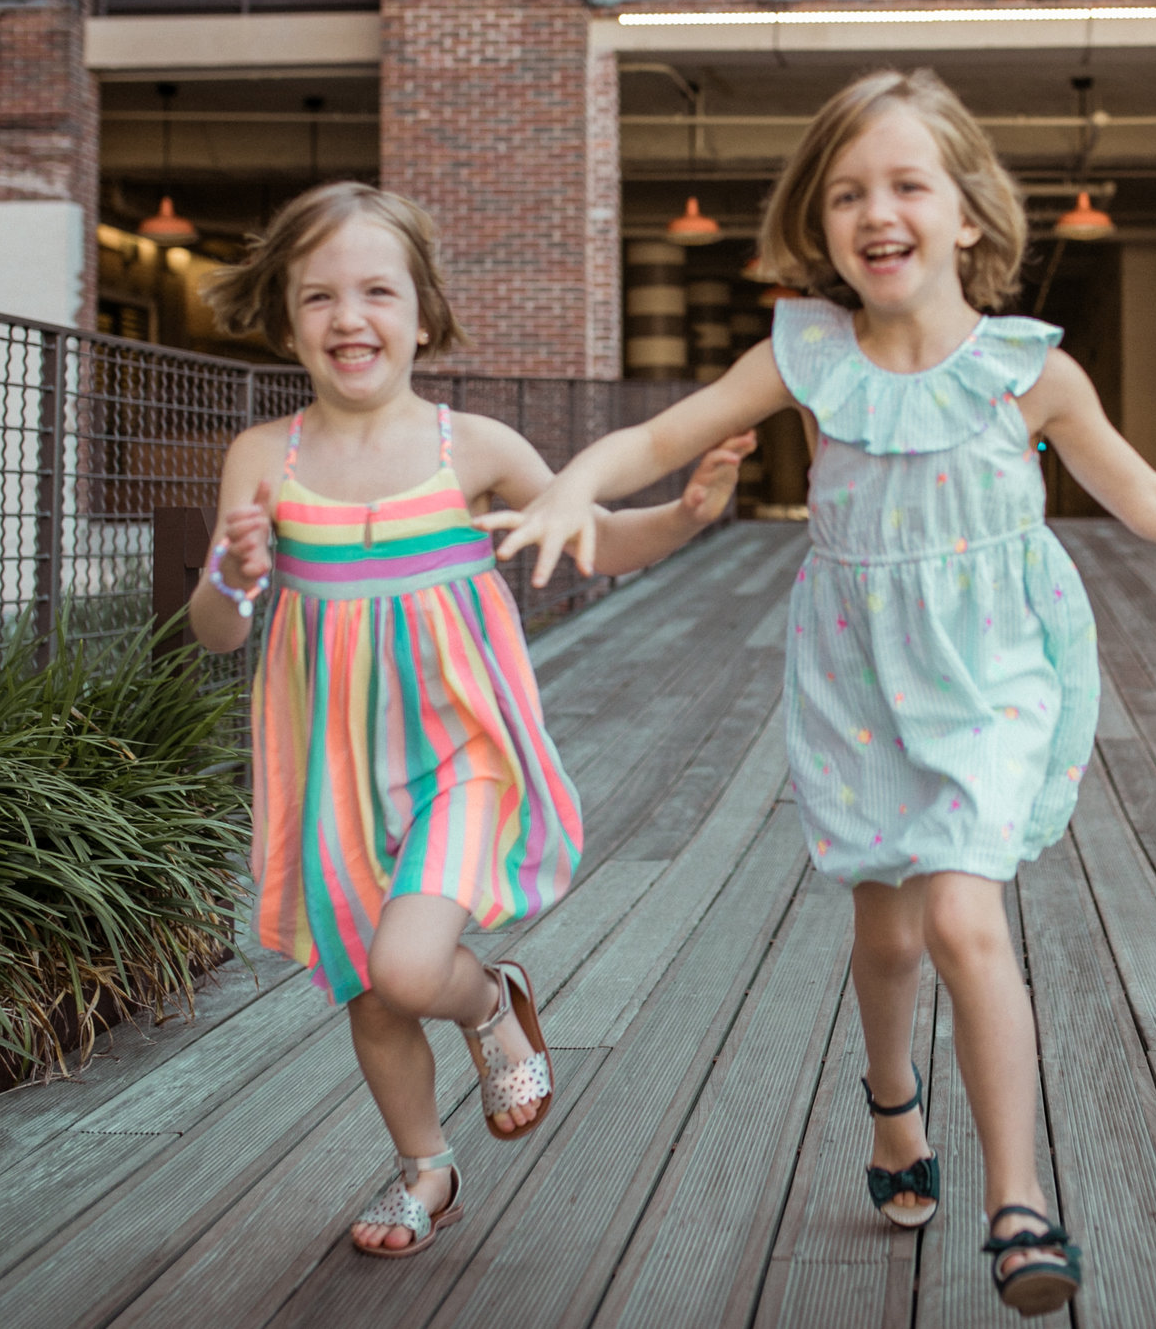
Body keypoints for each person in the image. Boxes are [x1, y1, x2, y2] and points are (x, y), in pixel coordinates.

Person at [486, 69, 1156, 1318]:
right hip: (860, 679)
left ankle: (1018, 1207)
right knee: (889, 935)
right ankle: (892, 1100)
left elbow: (1151, 498)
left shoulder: (1031, 373)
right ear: (822, 222)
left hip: (994, 677)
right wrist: (570, 487)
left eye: (908, 183)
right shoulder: (804, 353)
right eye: (849, 190)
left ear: (968, 214)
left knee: (965, 917)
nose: (878, 209)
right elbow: (656, 436)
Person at [190, 181, 749, 1258]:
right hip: (329, 772)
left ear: (423, 311)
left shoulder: (474, 447)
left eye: (375, 291)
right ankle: (426, 1168)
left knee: (410, 967)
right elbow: (217, 629)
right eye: (318, 296)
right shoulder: (265, 458)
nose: (349, 316)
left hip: (459, 754)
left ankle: (491, 998)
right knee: (369, 990)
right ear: (284, 314)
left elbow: (589, 542)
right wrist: (229, 569)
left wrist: (680, 516)